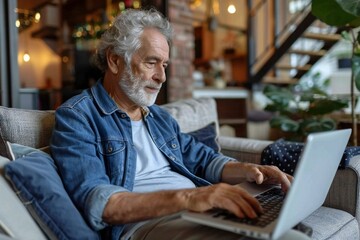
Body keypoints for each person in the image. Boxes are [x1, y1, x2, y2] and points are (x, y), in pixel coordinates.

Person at [50, 8, 295, 240]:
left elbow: (204, 159)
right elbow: (98, 203)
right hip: (147, 225)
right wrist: (189, 197)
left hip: (196, 214)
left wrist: (253, 171)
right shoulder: (78, 116)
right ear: (115, 61)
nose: (162, 77)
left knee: (288, 231)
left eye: (164, 65)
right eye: (151, 62)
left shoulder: (159, 118)